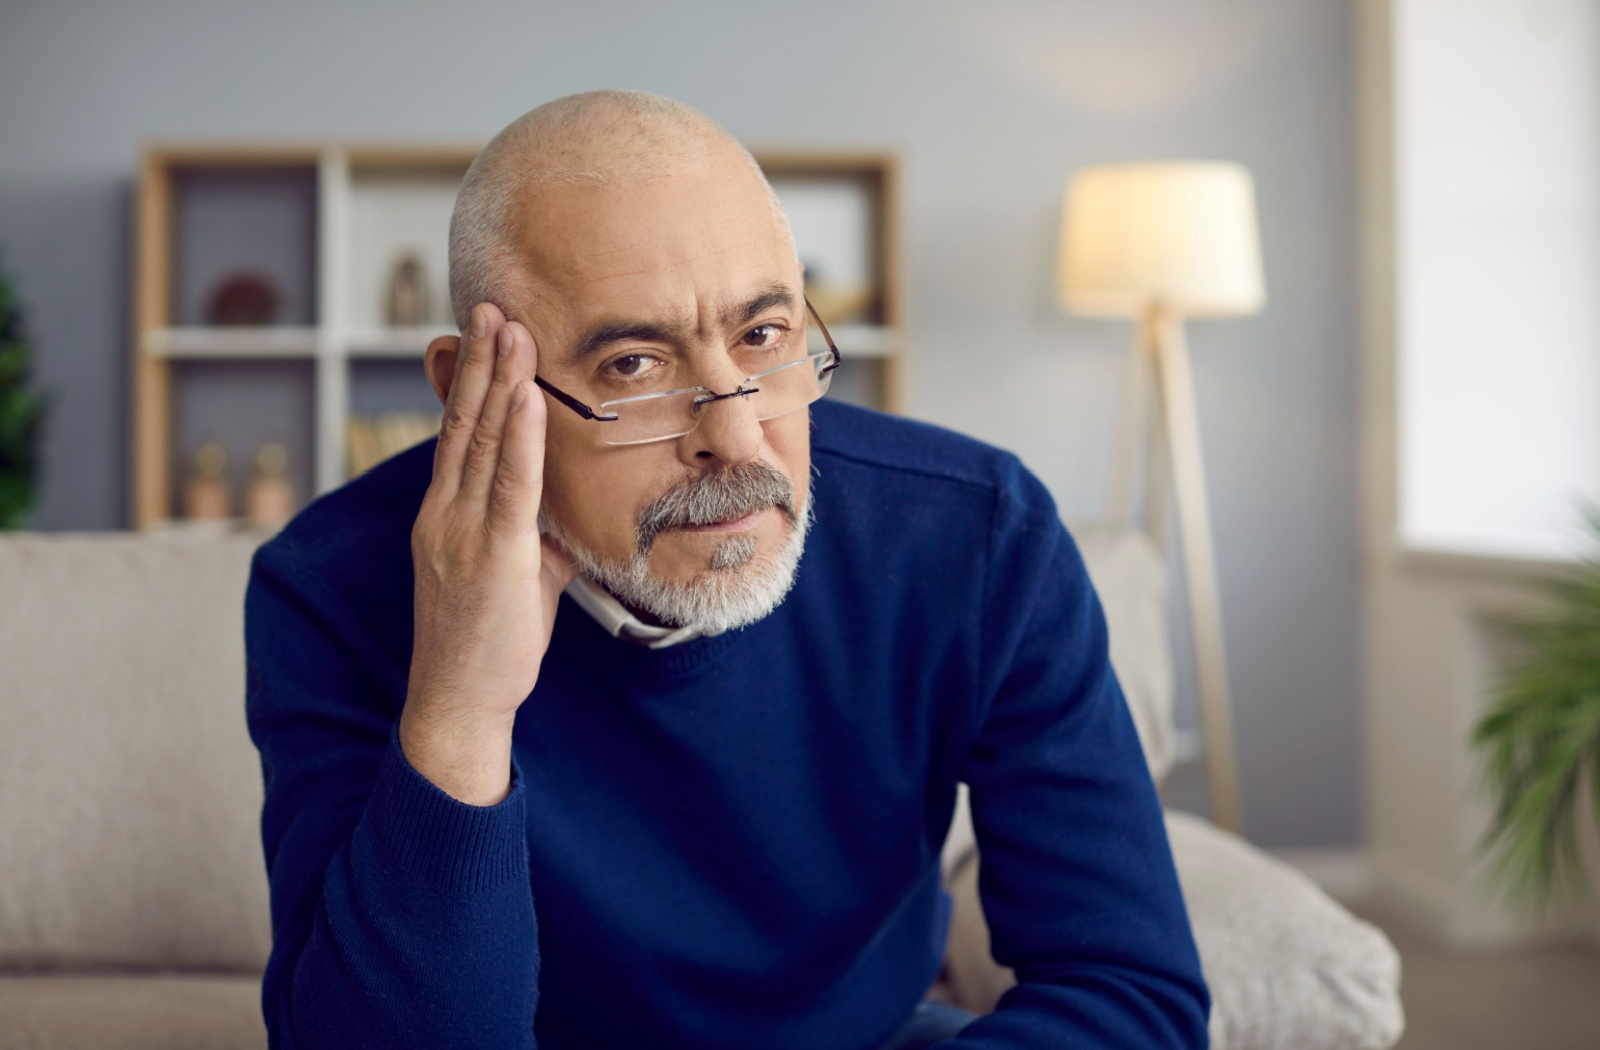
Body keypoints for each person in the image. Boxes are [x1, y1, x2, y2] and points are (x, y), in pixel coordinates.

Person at [244, 89, 1208, 1050]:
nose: (739, 438)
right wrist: (459, 710)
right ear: (472, 392)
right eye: (633, 365)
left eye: (763, 336)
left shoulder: (981, 538)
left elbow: (1129, 994)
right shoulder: (329, 590)